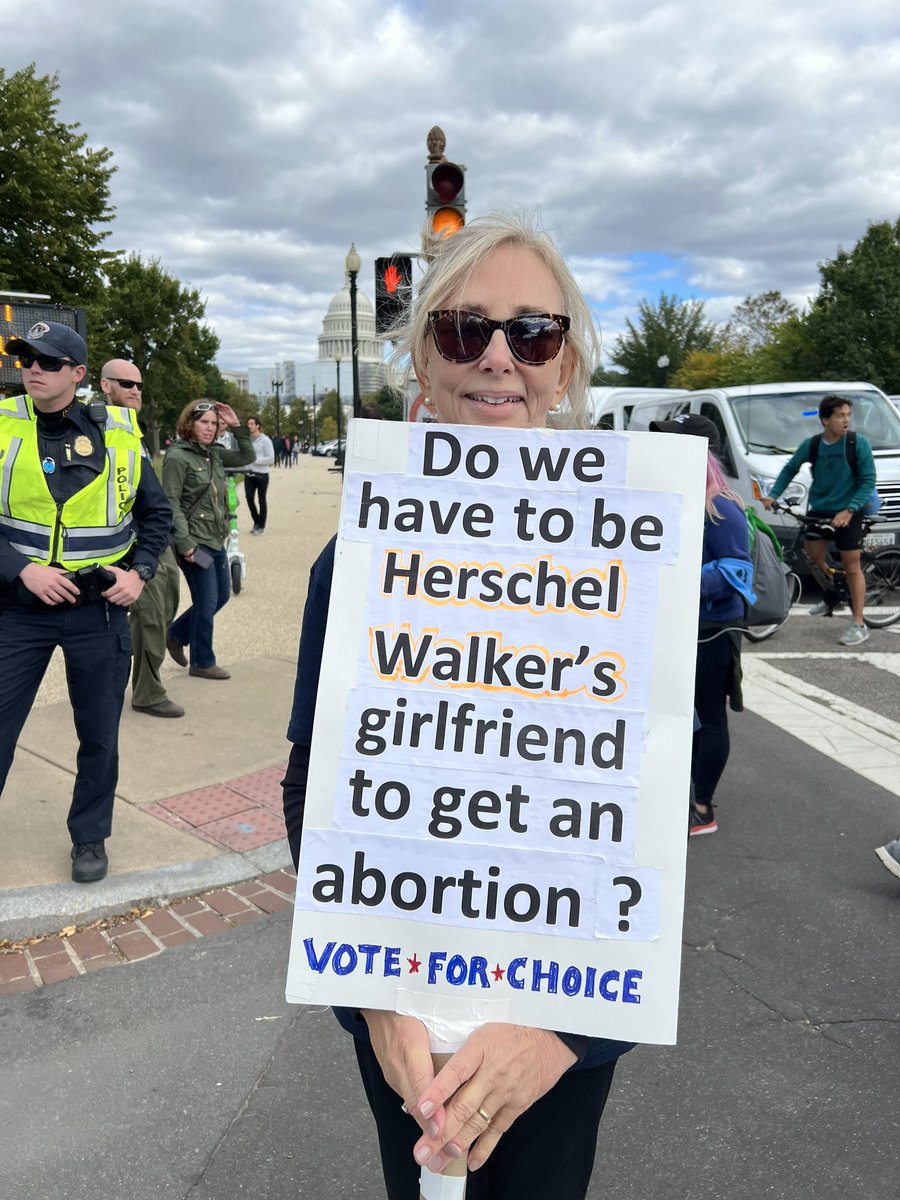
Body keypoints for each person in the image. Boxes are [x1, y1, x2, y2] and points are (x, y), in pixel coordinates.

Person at [282, 215, 635, 1200]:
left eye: (534, 333)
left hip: (559, 1026)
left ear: (565, 367)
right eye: (463, 328)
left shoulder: (632, 555)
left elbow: (649, 820)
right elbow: (315, 788)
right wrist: (372, 1003)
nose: (497, 356)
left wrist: (566, 1032)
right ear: (424, 365)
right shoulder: (356, 559)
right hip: (404, 1014)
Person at [0, 324, 172, 882]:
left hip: (97, 610)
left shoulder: (118, 431)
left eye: (48, 361)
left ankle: (90, 836)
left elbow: (156, 515)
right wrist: (22, 569)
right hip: (19, 609)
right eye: (27, 358)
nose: (33, 368)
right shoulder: (3, 423)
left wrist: (140, 574)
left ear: (77, 374)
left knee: (99, 735)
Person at [650, 415, 752, 837]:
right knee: (680, 716)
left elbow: (737, 573)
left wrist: (676, 577)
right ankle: (680, 794)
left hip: (713, 629)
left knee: (708, 718)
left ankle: (702, 807)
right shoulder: (680, 497)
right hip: (681, 626)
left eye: (675, 443)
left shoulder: (721, 506)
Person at [100, 359, 184, 719]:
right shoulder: (96, 427)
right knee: (148, 619)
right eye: (126, 383)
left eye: (139, 385)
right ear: (106, 386)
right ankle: (148, 693)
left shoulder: (133, 430)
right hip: (131, 545)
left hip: (156, 541)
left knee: (165, 611)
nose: (135, 390)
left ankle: (134, 677)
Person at [762, 394, 876, 646]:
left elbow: (868, 481)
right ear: (825, 420)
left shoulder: (857, 444)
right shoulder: (813, 445)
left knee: (852, 567)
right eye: (840, 415)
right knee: (813, 556)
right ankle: (832, 592)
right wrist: (773, 495)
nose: (846, 420)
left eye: (848, 415)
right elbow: (790, 469)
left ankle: (859, 624)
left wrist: (849, 510)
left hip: (849, 511)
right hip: (821, 510)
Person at [162, 400, 254, 680]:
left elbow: (246, 457)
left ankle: (176, 634)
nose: (210, 428)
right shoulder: (178, 457)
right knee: (206, 600)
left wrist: (236, 426)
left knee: (221, 596)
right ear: (189, 423)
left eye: (214, 423)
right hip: (194, 542)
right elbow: (171, 503)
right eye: (204, 422)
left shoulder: (213, 454)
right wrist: (186, 543)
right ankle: (202, 661)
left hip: (215, 539)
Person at [244, 416, 275, 535]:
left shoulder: (265, 440)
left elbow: (271, 459)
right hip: (249, 474)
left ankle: (261, 526)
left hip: (261, 475)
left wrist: (255, 460)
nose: (249, 426)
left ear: (257, 426)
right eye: (248, 424)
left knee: (261, 500)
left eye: (252, 424)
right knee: (249, 499)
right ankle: (256, 521)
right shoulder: (247, 440)